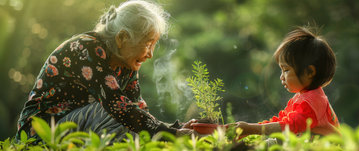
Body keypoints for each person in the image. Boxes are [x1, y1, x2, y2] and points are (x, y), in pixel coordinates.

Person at [16, 0, 196, 143]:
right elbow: (118, 107)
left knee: (131, 121)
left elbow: (137, 111)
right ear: (122, 38)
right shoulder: (85, 48)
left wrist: (176, 128)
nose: (151, 54)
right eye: (148, 44)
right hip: (40, 133)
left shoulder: (126, 63)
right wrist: (172, 133)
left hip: (77, 129)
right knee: (113, 112)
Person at [235, 27, 340, 136]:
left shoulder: (312, 102)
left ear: (309, 72)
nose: (281, 77)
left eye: (286, 70)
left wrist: (251, 129)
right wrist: (251, 130)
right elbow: (282, 121)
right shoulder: (305, 97)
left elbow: (289, 126)